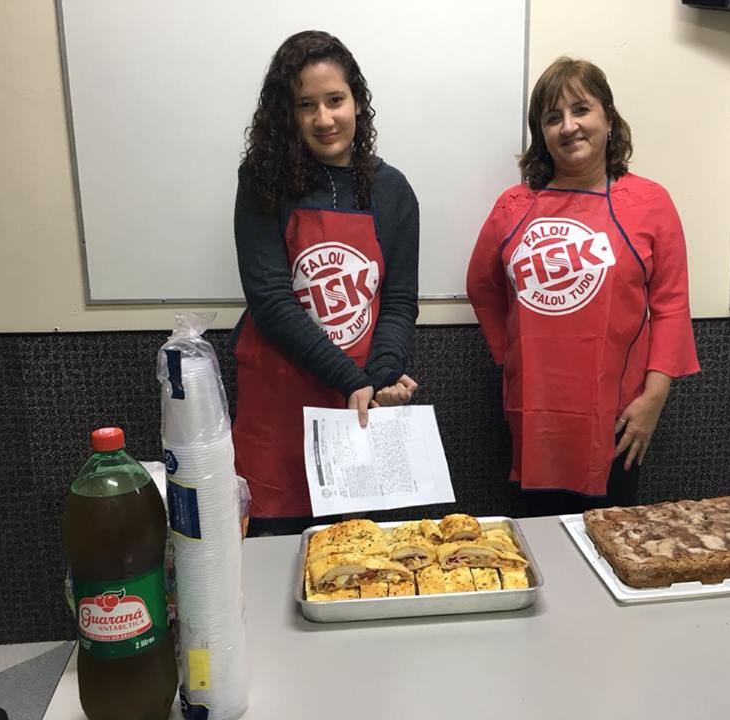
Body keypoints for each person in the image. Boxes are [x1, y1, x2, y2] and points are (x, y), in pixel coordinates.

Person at [466, 57, 700, 517]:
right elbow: (482, 287)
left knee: (612, 543)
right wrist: (508, 355)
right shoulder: (514, 206)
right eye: (553, 118)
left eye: (581, 110)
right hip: (534, 411)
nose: (568, 126)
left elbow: (671, 306)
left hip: (619, 415)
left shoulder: (649, 202)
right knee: (541, 543)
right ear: (542, 133)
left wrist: (654, 399)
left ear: (608, 118)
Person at [232, 30, 419, 533]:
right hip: (279, 405)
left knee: (355, 559)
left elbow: (399, 302)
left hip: (355, 409)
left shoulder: (392, 190)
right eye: (305, 105)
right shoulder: (262, 181)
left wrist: (381, 377)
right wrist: (355, 380)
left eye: (335, 100)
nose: (324, 119)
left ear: (357, 100)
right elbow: (270, 301)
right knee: (273, 559)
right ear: (286, 115)